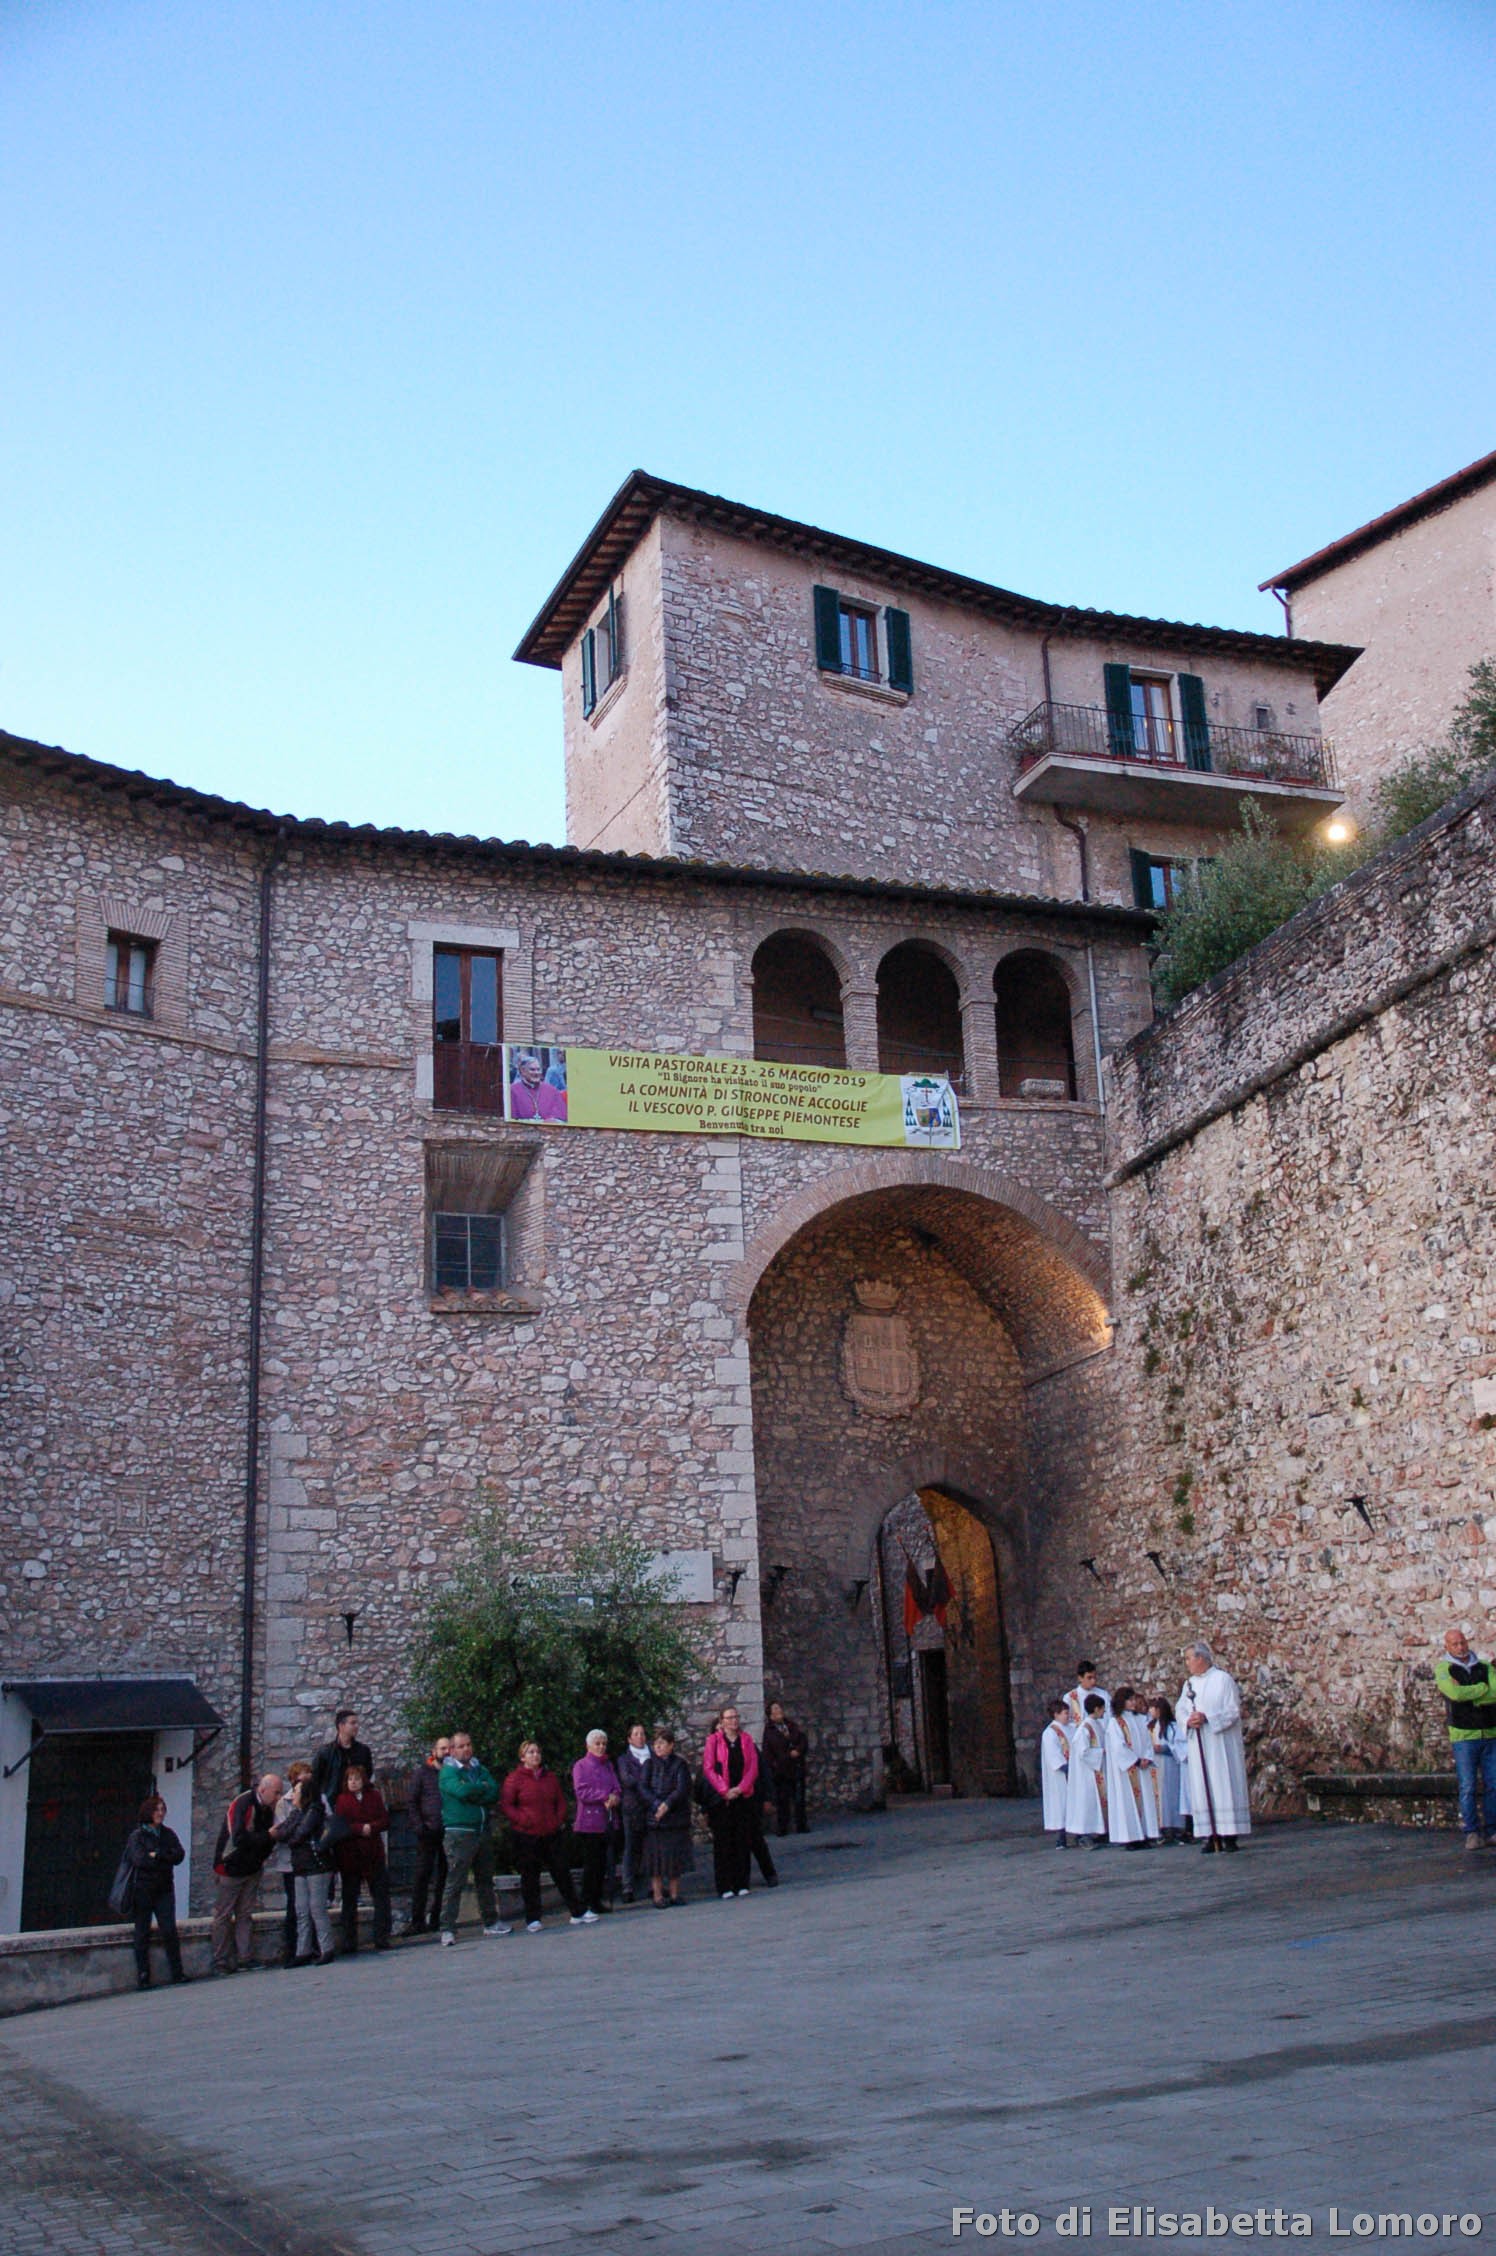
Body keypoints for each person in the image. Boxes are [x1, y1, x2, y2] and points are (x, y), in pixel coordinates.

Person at [500, 1740, 585, 1931]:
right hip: (527, 1834)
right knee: (530, 1876)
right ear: (522, 1757)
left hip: (551, 1832)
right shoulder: (514, 1779)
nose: (535, 1755)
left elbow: (560, 1802)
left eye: (537, 1752)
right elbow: (507, 1805)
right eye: (530, 1752)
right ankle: (533, 1918)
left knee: (562, 1872)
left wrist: (557, 1820)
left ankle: (577, 1911)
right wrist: (523, 1820)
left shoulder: (550, 1777)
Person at [437, 1731, 510, 1944]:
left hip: (481, 1829)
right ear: (452, 1750)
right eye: (461, 1746)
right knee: (455, 1881)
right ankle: (447, 1928)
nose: (466, 1749)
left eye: (468, 1745)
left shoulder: (479, 1768)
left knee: (485, 1879)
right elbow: (461, 1792)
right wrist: (480, 1788)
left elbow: (494, 1791)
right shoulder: (448, 1772)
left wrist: (475, 1790)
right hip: (459, 1832)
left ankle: (490, 1921)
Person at [1179, 1641, 1251, 1852]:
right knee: (1203, 1786)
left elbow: (1232, 1710)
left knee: (1223, 1784)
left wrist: (1207, 1717)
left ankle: (1229, 1835)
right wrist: (1188, 1720)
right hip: (1199, 1743)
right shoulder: (1189, 1684)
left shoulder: (1223, 1680)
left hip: (1220, 1746)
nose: (1187, 1663)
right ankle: (1210, 1835)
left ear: (1200, 1658)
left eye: (1188, 1658)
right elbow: (1180, 1709)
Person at [211, 1773, 282, 1974]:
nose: (278, 1797)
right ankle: (220, 1961)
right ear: (263, 1790)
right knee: (223, 1915)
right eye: (276, 1793)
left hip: (252, 1867)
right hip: (231, 1867)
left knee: (245, 1914)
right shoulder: (243, 1803)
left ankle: (245, 1957)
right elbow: (238, 1838)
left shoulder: (268, 1808)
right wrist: (267, 1836)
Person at [1435, 1628, 1496, 1850]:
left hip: (1490, 1733)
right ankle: (1472, 1832)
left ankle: (1492, 1831)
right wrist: (1481, 1689)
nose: (1460, 1647)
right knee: (1468, 1786)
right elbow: (1454, 1694)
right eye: (1455, 1644)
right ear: (1447, 1647)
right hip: (1463, 1736)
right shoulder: (1444, 1669)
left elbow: (1495, 1692)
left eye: (1462, 1642)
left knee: (1494, 1784)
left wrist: (1469, 1693)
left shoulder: (1485, 1666)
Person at [123, 1795, 187, 1988]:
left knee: (169, 1930)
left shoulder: (167, 1834)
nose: (160, 1813)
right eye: (157, 1810)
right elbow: (140, 1860)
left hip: (164, 1889)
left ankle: (177, 1972)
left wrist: (158, 1855)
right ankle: (143, 1975)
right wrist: (163, 1858)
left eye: (162, 1809)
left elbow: (179, 1855)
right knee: (142, 1932)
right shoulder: (138, 1836)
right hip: (143, 1890)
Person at [277, 1771, 336, 1964]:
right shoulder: (297, 1813)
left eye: (296, 1791)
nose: (293, 1794)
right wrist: (290, 1835)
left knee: (317, 1908)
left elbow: (298, 1835)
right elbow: (282, 1832)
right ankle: (303, 1950)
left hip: (316, 1865)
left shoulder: (315, 1810)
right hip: (300, 1866)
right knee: (301, 1910)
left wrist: (291, 1836)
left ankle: (326, 1948)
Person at [333, 1762, 392, 1953]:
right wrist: (359, 1828)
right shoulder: (342, 1800)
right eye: (350, 1779)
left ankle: (381, 1936)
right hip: (351, 1855)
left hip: (373, 1853)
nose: (353, 1782)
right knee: (350, 1898)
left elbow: (385, 1820)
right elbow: (340, 1824)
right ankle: (349, 1941)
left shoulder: (374, 1796)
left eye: (357, 1779)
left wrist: (371, 1827)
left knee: (380, 1896)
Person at [703, 1703, 759, 1897]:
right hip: (723, 1798)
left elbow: (752, 1768)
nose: (734, 1721)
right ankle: (725, 1885)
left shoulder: (746, 1740)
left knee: (742, 1839)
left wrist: (740, 1788)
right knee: (723, 1842)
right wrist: (724, 1790)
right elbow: (709, 1768)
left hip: (742, 1796)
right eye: (729, 1718)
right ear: (722, 1721)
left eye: (736, 1717)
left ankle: (742, 1882)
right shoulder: (714, 1741)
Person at [401, 1735, 451, 1934]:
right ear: (434, 1751)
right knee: (422, 1876)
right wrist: (419, 1827)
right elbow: (411, 1802)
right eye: (442, 1748)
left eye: (449, 1748)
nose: (446, 1752)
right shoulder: (422, 1773)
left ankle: (438, 1918)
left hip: (449, 1830)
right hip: (428, 1831)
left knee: (444, 1876)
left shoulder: (453, 1772)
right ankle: (417, 1920)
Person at [571, 1730, 622, 1918]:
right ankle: (586, 1901)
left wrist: (615, 1797)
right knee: (591, 1864)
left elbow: (617, 1786)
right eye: (597, 1744)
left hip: (606, 1820)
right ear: (589, 1746)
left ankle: (596, 1900)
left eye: (603, 1744)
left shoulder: (608, 1765)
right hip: (589, 1822)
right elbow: (582, 1792)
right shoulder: (581, 1766)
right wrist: (604, 1796)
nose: (601, 1747)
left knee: (602, 1864)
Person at [641, 1728, 694, 1907]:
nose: (658, 1747)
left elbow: (682, 1788)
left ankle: (674, 1894)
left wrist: (668, 1804)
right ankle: (657, 1896)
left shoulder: (680, 1764)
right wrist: (657, 1804)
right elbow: (643, 1788)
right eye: (656, 1744)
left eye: (662, 1743)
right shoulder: (649, 1764)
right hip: (655, 1818)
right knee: (656, 1861)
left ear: (671, 1745)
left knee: (674, 1859)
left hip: (675, 1817)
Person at [269, 1760, 312, 1966]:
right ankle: (292, 1949)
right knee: (294, 1906)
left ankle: (309, 1947)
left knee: (310, 1906)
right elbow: (281, 1832)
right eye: (303, 1776)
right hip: (289, 1862)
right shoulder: (284, 1803)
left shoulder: (315, 1800)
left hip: (308, 1861)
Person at [1104, 1688, 1159, 1849]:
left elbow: (1148, 1741)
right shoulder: (1115, 1722)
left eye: (1134, 1699)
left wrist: (1147, 1757)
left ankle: (1146, 1834)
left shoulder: (1140, 1720)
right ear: (1122, 1702)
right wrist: (1135, 1761)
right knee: (1128, 1801)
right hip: (1128, 1770)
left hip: (1142, 1767)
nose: (1134, 1703)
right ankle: (1131, 1837)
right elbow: (1118, 1746)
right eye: (1130, 1700)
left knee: (1145, 1800)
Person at [1063, 1695, 1107, 1848]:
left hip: (1096, 1770)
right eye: (1102, 1708)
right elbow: (1083, 1751)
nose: (1104, 1711)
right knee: (1087, 1803)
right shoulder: (1084, 1728)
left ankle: (1099, 1832)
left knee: (1096, 1803)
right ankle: (1083, 1834)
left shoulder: (1097, 1724)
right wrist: (1101, 1753)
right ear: (1096, 1709)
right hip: (1086, 1773)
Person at [615, 1722, 653, 1902]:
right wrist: (645, 1783)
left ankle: (653, 1886)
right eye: (636, 1734)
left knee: (650, 1847)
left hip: (649, 1807)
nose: (640, 1737)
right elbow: (627, 1780)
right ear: (629, 1739)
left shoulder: (652, 1756)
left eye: (642, 1733)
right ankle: (627, 1887)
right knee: (630, 1847)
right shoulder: (624, 1759)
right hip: (631, 1807)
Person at [761, 1701, 809, 1835]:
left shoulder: (791, 1726)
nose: (779, 1712)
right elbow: (768, 1753)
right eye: (775, 1710)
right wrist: (780, 1761)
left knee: (799, 1798)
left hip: (796, 1767)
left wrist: (798, 1751)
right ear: (770, 1715)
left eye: (779, 1708)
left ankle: (801, 1824)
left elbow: (802, 1740)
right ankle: (783, 1827)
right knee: (783, 1800)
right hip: (781, 1771)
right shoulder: (769, 1732)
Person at [311, 1710, 374, 1811]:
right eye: (352, 1723)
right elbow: (315, 1779)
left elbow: (367, 1774)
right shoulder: (325, 1753)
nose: (357, 1726)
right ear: (341, 1726)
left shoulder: (363, 1751)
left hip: (359, 1803)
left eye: (357, 1723)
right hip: (333, 1804)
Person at [1149, 1696, 1188, 1843]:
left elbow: (1179, 1746)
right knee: (1160, 1796)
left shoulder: (1172, 1727)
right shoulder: (1153, 1726)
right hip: (1157, 1765)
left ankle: (1177, 1827)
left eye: (1153, 1708)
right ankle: (1163, 1827)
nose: (1150, 1711)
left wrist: (1164, 1749)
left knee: (1172, 1795)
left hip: (1170, 1765)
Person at [1039, 1699, 1070, 1845]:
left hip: (1072, 1773)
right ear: (1056, 1714)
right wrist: (1066, 1768)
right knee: (1060, 1804)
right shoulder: (1050, 1733)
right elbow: (1053, 1754)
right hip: (1059, 1776)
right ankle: (1061, 1836)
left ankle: (1079, 1833)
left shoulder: (1070, 1728)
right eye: (1065, 1713)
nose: (1067, 1716)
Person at [509, 1050, 567, 1121]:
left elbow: (561, 1116)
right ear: (523, 1071)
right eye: (532, 1070)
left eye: (538, 1069)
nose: (536, 1073)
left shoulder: (551, 1090)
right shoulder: (513, 1090)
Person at [1064, 1662, 1108, 1732]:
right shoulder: (1069, 1697)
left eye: (1094, 1677)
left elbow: (1108, 1716)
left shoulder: (1103, 1695)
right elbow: (1066, 1721)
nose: (1093, 1681)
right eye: (1089, 1678)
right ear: (1080, 1678)